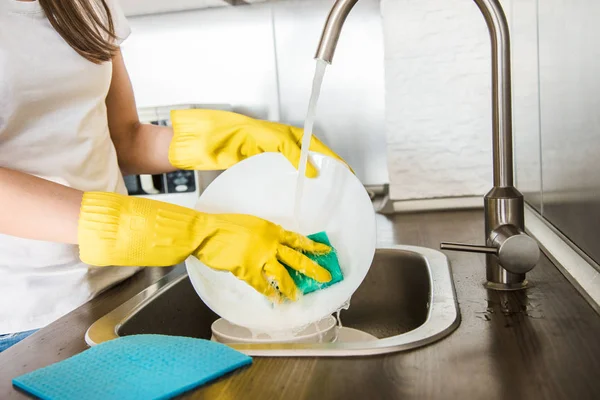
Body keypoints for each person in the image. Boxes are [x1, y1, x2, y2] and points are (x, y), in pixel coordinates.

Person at [0, 0, 348, 352]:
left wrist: (239, 139)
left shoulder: (88, 4)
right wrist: (195, 232)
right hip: (26, 317)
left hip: (121, 286)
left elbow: (126, 138)